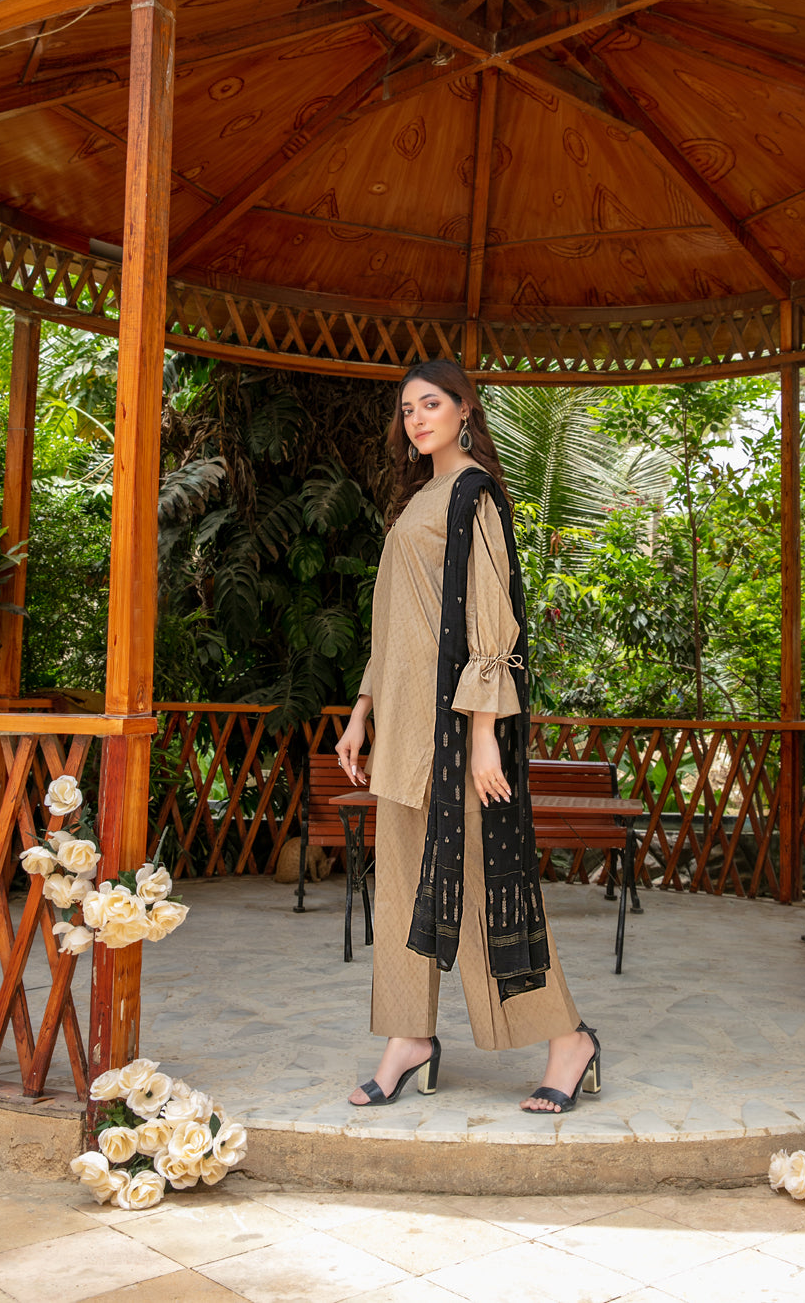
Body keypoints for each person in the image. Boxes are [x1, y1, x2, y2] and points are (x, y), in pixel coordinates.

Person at [335, 359, 600, 1114]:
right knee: (399, 887)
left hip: (454, 734)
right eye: (407, 409)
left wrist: (486, 733)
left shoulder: (472, 495)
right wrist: (361, 711)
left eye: (431, 404)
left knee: (486, 886)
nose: (417, 418)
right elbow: (394, 625)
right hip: (402, 729)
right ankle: (408, 1038)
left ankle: (568, 1040)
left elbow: (492, 620)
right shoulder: (416, 499)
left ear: (463, 411)